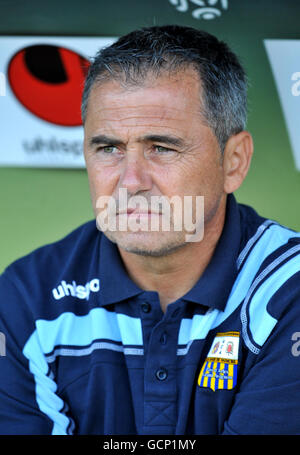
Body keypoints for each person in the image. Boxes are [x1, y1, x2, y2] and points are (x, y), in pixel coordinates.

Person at [0, 25, 299, 436]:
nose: (131, 181)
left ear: (234, 162)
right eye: (109, 149)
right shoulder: (26, 298)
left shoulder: (289, 291)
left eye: (162, 147)